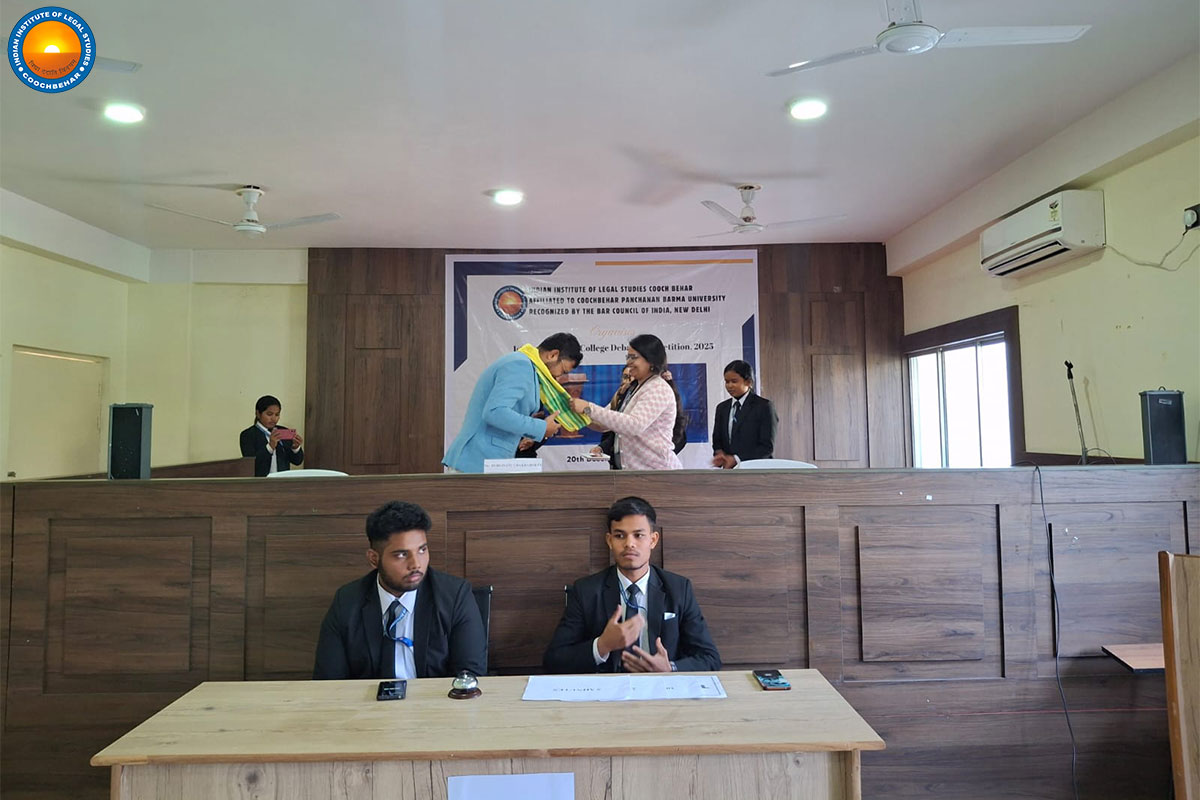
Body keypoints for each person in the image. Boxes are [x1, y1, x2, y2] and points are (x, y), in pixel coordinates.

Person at [543, 496, 721, 674]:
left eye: (638, 535)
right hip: (608, 688)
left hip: (660, 686)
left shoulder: (679, 589)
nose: (629, 544)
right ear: (609, 540)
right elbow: (554, 661)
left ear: (653, 540)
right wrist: (602, 645)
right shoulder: (586, 591)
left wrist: (670, 668)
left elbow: (709, 658)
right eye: (620, 536)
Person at [313, 500, 486, 680]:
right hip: (368, 698)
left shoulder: (455, 596)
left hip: (436, 697)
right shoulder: (347, 602)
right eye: (402, 555)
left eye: (422, 550)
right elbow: (328, 681)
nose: (416, 564)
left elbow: (469, 676)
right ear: (374, 559)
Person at [443, 332, 583, 473]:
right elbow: (495, 412)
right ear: (553, 355)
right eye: (563, 371)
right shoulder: (520, 365)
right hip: (476, 463)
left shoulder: (528, 367)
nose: (558, 377)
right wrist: (541, 428)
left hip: (485, 462)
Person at [569, 334, 684, 471]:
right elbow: (603, 423)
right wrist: (578, 415)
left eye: (634, 357)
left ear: (651, 360)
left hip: (657, 474)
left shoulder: (657, 388)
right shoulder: (632, 389)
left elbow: (634, 425)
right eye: (628, 357)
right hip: (634, 474)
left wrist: (589, 408)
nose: (629, 362)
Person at [711, 360, 778, 468]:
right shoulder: (722, 408)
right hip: (729, 471)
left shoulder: (764, 406)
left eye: (734, 381)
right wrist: (720, 454)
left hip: (756, 469)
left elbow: (766, 447)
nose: (729, 386)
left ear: (748, 382)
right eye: (727, 382)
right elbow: (717, 440)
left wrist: (736, 459)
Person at [239, 394, 304, 477]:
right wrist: (270, 447)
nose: (274, 418)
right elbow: (251, 465)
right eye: (269, 414)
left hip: (282, 481)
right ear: (258, 414)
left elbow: (297, 461)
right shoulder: (248, 435)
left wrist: (295, 448)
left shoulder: (283, 431)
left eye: (277, 415)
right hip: (261, 482)